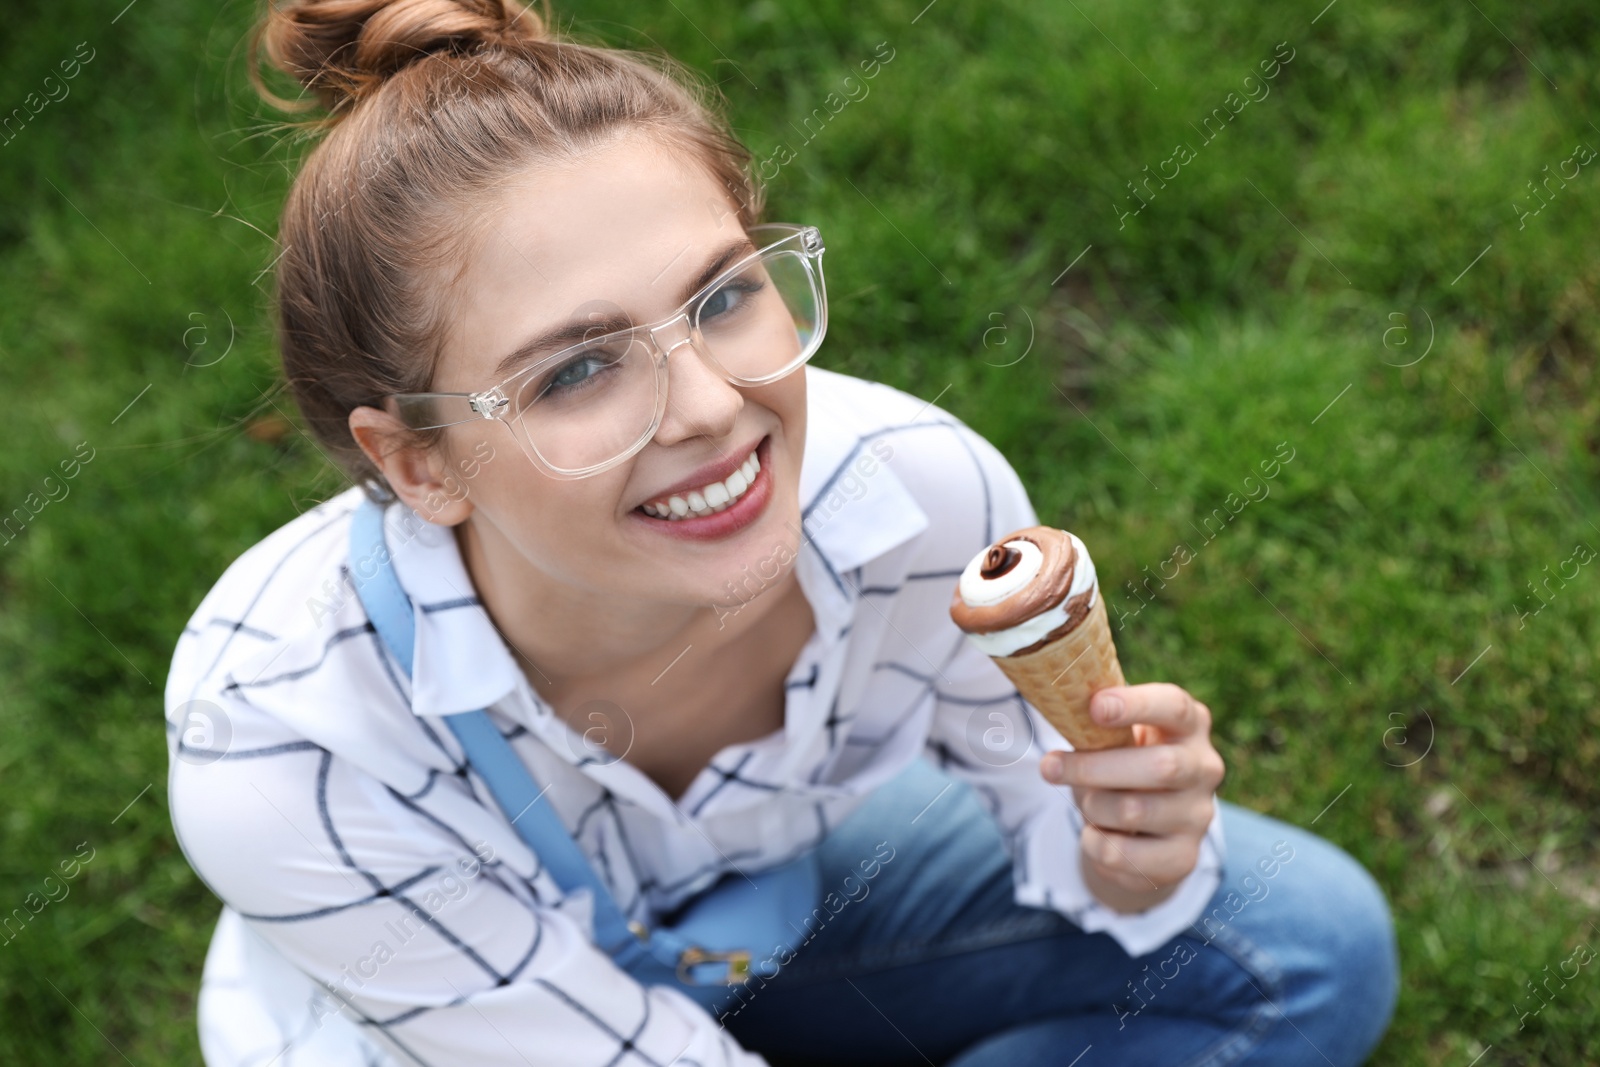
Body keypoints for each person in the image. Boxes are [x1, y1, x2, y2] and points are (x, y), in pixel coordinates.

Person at [163, 1, 1399, 1064]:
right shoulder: (286, 747)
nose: (712, 408)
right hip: (449, 1017)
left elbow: (1071, 833)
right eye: (579, 368)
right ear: (418, 459)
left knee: (1309, 944)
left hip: (755, 905)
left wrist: (1129, 856)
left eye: (723, 296)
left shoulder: (919, 498)